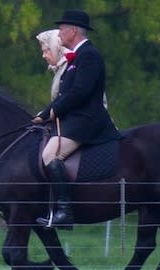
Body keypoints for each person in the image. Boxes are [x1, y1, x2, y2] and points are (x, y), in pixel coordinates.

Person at [32, 9, 121, 230]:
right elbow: (66, 95)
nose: (59, 34)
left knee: (50, 154)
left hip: (86, 122)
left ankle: (64, 211)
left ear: (73, 31)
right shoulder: (77, 57)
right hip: (75, 120)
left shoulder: (89, 56)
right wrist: (45, 114)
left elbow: (78, 93)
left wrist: (48, 114)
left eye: (62, 30)